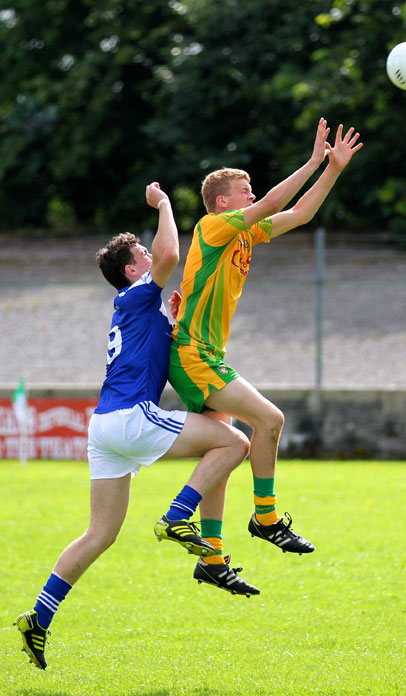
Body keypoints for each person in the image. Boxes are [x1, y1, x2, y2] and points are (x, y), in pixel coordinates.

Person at [15, 182, 253, 671]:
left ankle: (39, 618)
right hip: (128, 417)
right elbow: (170, 249)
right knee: (235, 442)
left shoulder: (141, 306)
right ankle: (177, 515)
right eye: (141, 253)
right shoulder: (138, 291)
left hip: (104, 428)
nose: (152, 254)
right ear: (132, 269)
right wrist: (163, 203)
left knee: (99, 534)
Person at [166, 119, 363, 593]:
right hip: (194, 354)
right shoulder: (213, 228)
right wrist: (313, 161)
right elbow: (276, 202)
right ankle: (266, 517)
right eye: (245, 189)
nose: (253, 194)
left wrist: (332, 171)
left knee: (223, 446)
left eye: (252, 188)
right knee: (269, 420)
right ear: (222, 202)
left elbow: (298, 214)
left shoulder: (244, 236)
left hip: (207, 353)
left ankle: (212, 557)